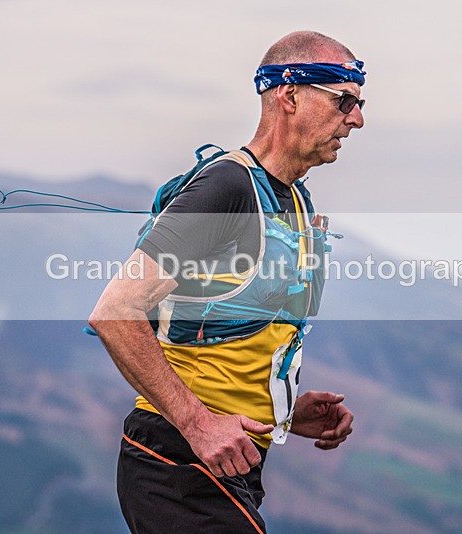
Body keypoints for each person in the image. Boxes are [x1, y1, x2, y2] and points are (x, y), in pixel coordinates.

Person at [89, 30, 366, 533]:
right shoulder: (228, 186)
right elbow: (115, 311)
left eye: (359, 104)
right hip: (175, 460)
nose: (357, 118)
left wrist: (283, 412)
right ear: (290, 95)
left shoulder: (294, 200)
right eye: (344, 100)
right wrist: (197, 422)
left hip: (228, 461)